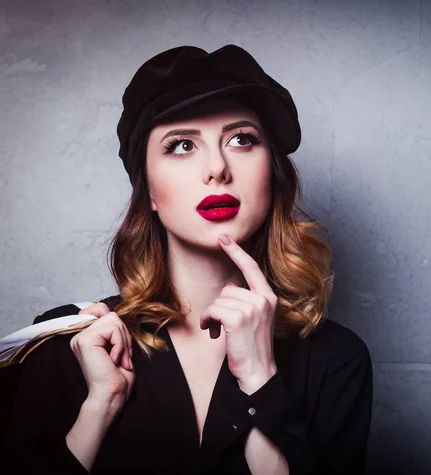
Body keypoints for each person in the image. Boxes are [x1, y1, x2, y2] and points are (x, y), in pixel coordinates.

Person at [0, 44, 373, 475]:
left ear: (272, 175)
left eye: (241, 140)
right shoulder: (69, 349)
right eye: (180, 145)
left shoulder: (336, 359)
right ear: (150, 193)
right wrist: (99, 408)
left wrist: (260, 382)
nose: (217, 167)